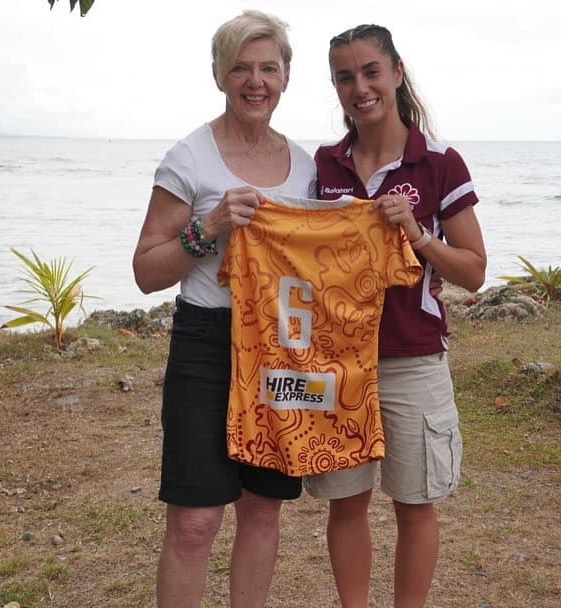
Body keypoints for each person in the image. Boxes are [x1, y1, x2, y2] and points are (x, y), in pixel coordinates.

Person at [131, 10, 315, 607]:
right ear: (218, 75)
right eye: (240, 67)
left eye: (268, 68)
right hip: (207, 342)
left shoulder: (310, 168)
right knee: (195, 522)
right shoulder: (189, 158)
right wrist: (206, 228)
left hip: (283, 348)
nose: (254, 81)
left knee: (263, 510)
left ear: (286, 77)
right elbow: (144, 272)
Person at [305, 23, 487, 608]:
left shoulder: (439, 163)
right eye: (344, 77)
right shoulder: (325, 164)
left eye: (370, 72)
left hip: (412, 359)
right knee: (346, 502)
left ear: (397, 72)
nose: (359, 87)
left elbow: (475, 271)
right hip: (337, 366)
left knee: (414, 503)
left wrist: (417, 236)